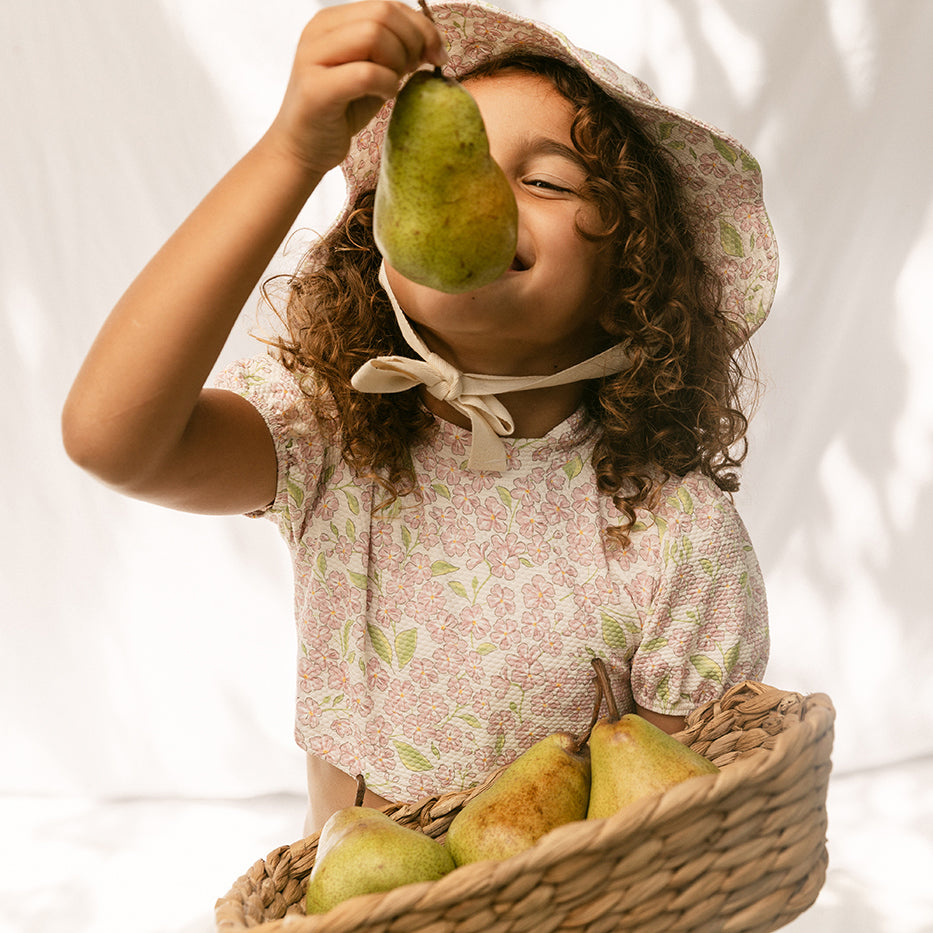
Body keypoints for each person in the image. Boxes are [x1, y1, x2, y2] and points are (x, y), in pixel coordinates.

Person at [62, 0, 777, 835]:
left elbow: (672, 830)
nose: (475, 186)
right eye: (446, 157)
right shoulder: (332, 433)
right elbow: (112, 440)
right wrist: (292, 152)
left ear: (635, 283)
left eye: (545, 179)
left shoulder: (676, 533)